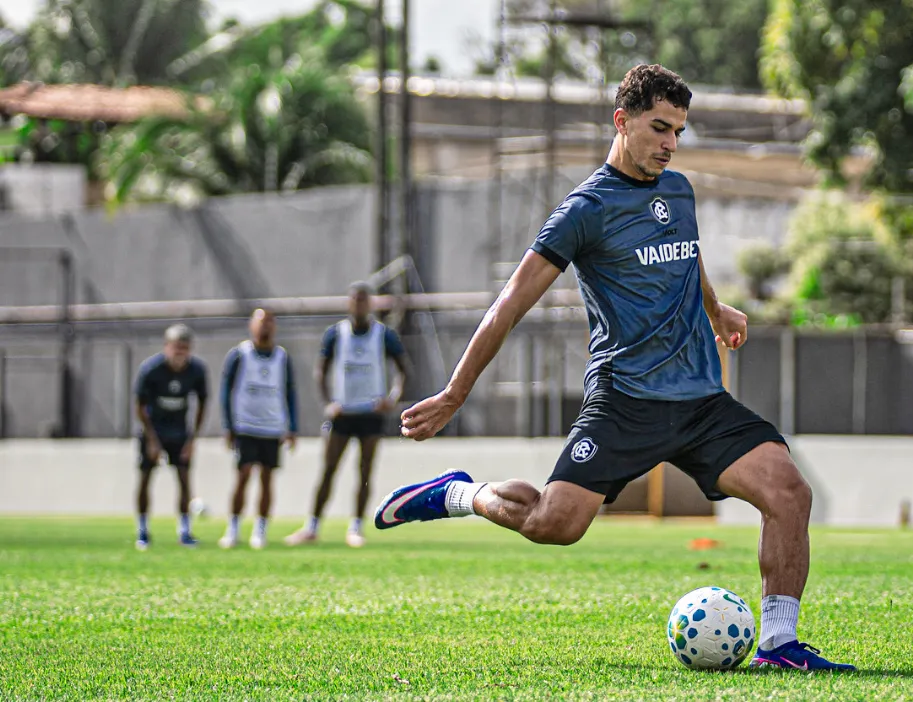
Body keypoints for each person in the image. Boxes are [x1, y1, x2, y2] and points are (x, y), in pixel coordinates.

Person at [374, 65, 854, 671]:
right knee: (555, 523)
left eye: (678, 130)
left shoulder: (677, 190)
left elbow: (686, 252)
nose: (670, 143)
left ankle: (779, 645)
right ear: (621, 121)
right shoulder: (584, 211)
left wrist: (714, 306)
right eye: (659, 128)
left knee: (789, 492)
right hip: (625, 401)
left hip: (700, 400)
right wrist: (453, 393)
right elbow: (508, 306)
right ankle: (460, 494)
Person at [285, 282, 410, 548]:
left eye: (364, 301)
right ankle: (313, 525)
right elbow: (320, 370)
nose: (359, 306)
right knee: (329, 469)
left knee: (364, 470)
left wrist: (391, 400)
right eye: (355, 301)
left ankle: (356, 526)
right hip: (343, 413)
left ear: (371, 304)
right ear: (349, 304)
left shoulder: (383, 335)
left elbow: (403, 370)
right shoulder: (335, 334)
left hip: (370, 414)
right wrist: (328, 402)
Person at [219, 309, 298, 550]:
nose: (265, 327)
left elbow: (289, 392)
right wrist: (228, 425)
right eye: (261, 322)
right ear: (251, 325)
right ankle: (233, 528)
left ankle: (260, 529)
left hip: (272, 427)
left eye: (270, 322)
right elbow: (226, 391)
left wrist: (292, 427)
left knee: (267, 478)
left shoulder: (282, 357)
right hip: (246, 425)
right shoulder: (239, 354)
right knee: (243, 475)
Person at [133, 324, 209, 550]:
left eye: (185, 348)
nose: (180, 353)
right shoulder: (151, 370)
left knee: (184, 478)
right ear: (167, 347)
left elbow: (203, 403)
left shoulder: (196, 371)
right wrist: (151, 440)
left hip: (179, 432)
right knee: (146, 478)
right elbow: (140, 406)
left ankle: (185, 531)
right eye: (176, 348)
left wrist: (192, 439)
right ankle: (143, 530)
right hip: (153, 431)